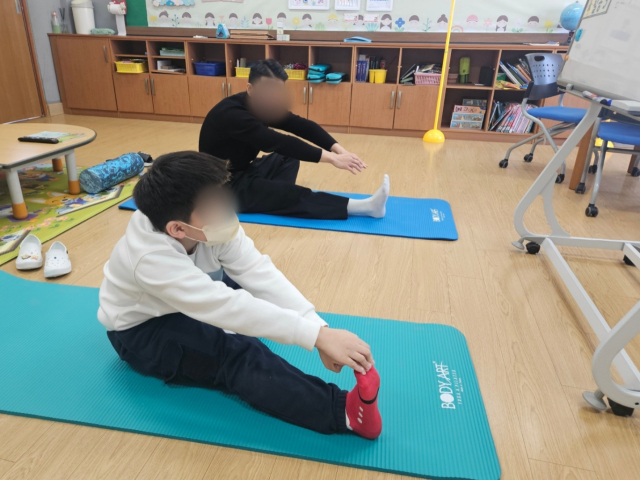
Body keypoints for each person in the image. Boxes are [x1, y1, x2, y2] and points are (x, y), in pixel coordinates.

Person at [98, 151, 382, 439]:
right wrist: (315, 337)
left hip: (186, 296)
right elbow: (224, 306)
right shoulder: (149, 257)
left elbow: (256, 270)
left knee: (250, 294)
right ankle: (345, 413)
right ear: (178, 229)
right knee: (236, 353)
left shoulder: (208, 224)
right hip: (142, 329)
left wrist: (318, 328)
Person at [199, 59, 390, 220]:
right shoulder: (233, 114)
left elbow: (299, 125)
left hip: (242, 171)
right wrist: (332, 159)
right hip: (221, 188)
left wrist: (338, 149)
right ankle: (367, 207)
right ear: (251, 89)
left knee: (287, 159)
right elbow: (278, 142)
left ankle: (276, 197)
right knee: (289, 184)